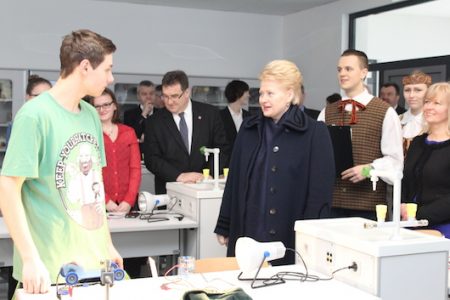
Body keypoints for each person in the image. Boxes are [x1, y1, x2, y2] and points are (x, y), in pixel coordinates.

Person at [0, 29, 122, 295]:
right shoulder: (34, 116)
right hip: (51, 267)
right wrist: (31, 259)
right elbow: (7, 189)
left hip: (95, 263)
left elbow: (95, 187)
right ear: (85, 67)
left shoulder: (90, 114)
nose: (111, 78)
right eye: (108, 69)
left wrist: (107, 244)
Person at [214, 60, 335, 265]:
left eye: (270, 93)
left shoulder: (315, 133)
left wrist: (310, 237)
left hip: (289, 236)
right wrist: (224, 224)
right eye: (261, 93)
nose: (263, 99)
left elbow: (320, 194)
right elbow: (234, 180)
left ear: (289, 94)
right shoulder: (249, 128)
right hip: (248, 231)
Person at [318, 49, 403, 219]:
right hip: (332, 204)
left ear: (364, 72)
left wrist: (367, 170)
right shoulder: (327, 112)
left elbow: (396, 163)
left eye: (348, 69)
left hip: (368, 207)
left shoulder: (384, 112)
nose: (342, 73)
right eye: (339, 69)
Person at [144, 70, 230, 194]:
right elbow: (152, 159)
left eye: (174, 96)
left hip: (206, 188)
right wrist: (180, 176)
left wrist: (206, 176)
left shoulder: (210, 114)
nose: (169, 102)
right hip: (170, 191)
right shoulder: (155, 122)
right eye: (165, 96)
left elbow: (222, 148)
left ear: (187, 92)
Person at [401, 82, 450, 238]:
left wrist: (420, 214)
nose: (429, 107)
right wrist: (402, 204)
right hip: (411, 224)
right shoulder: (417, 142)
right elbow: (405, 179)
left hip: (443, 225)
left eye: (437, 103)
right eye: (427, 102)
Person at [90, 88, 141, 214]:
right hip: (98, 203)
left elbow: (135, 169)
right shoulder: (89, 135)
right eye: (97, 106)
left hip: (128, 203)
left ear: (114, 106)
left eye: (106, 105)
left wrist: (129, 200)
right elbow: (89, 173)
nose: (102, 110)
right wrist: (105, 200)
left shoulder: (128, 132)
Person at [5, 75, 52, 148]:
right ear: (28, 97)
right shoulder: (19, 123)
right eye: (39, 96)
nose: (44, 100)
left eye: (48, 96)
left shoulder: (54, 123)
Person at [399, 71, 432, 152]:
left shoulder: (434, 122)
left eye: (418, 90)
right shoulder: (397, 120)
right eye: (407, 90)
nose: (411, 95)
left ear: (428, 92)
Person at [124, 80, 156, 155]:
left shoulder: (162, 114)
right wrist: (143, 114)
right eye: (144, 94)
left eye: (151, 93)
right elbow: (131, 135)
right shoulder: (129, 114)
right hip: (137, 155)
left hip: (158, 157)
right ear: (138, 96)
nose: (148, 97)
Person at [220, 80, 251, 153]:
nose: (249, 95)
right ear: (238, 93)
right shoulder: (219, 117)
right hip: (227, 161)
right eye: (246, 92)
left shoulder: (249, 116)